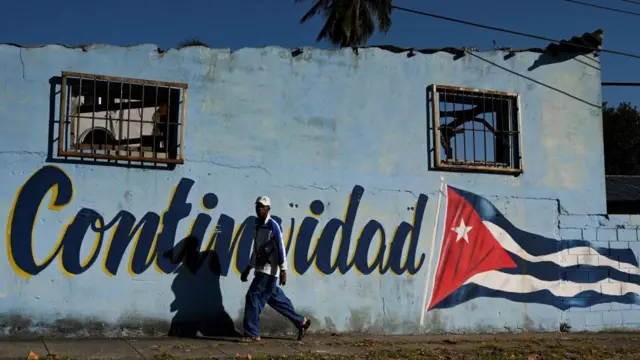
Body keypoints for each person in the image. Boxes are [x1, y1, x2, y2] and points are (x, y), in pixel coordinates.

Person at [240, 196, 312, 342]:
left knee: (253, 297)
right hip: (261, 269)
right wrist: (248, 267)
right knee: (276, 299)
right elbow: (257, 249)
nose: (259, 209)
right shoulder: (258, 226)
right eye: (257, 206)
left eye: (262, 207)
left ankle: (252, 333)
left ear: (268, 209)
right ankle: (301, 322)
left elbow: (280, 247)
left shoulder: (273, 226)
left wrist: (284, 270)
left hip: (269, 271)